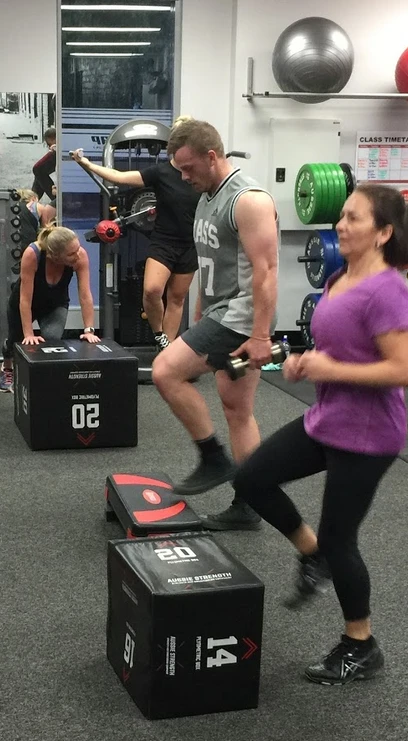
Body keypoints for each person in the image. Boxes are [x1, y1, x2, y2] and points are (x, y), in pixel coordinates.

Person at [233, 186, 408, 681]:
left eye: (353, 219)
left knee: (340, 538)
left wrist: (331, 369)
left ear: (383, 233)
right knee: (252, 479)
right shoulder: (338, 277)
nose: (341, 226)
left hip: (368, 435)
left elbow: (403, 370)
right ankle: (313, 554)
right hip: (328, 419)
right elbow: (339, 348)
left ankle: (361, 644)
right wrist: (303, 362)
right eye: (342, 216)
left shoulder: (388, 290)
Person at [151, 118, 278, 529]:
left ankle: (212, 457)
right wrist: (201, 312)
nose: (184, 177)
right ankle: (251, 504)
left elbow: (266, 272)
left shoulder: (248, 200)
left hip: (240, 317)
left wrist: (261, 336)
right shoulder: (207, 196)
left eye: (188, 168)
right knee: (237, 409)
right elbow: (213, 263)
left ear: (211, 156)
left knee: (165, 371)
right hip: (220, 312)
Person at [71, 131, 201, 350]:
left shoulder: (198, 175)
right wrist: (87, 164)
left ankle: (167, 349)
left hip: (189, 244)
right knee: (151, 291)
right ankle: (159, 334)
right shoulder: (161, 172)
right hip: (163, 242)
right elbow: (119, 177)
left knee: (177, 298)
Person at [0, 224, 100, 393]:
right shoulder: (32, 254)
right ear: (54, 255)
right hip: (26, 302)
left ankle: (41, 378)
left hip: (55, 304)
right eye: (71, 254)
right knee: (16, 342)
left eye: (77, 249)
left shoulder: (80, 255)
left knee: (52, 339)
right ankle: (7, 367)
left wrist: (89, 330)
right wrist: (29, 334)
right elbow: (25, 299)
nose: (77, 255)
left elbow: (85, 294)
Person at [32, 126, 57, 202]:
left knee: (38, 170)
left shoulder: (55, 148)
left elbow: (37, 168)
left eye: (48, 144)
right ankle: (31, 202)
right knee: (39, 174)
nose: (49, 147)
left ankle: (56, 199)